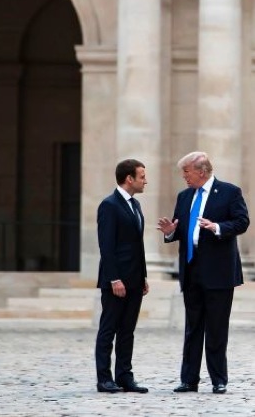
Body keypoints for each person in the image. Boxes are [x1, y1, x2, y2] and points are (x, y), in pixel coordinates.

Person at [157, 151, 250, 394]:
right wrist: (169, 231)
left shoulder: (230, 192)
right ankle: (189, 380)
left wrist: (217, 227)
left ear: (201, 171)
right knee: (193, 327)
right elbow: (180, 230)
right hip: (191, 268)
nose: (184, 177)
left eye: (186, 172)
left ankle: (219, 379)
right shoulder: (184, 196)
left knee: (217, 328)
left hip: (219, 272)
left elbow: (242, 222)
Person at [94, 158, 150, 393]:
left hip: (135, 280)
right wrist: (114, 278)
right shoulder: (109, 205)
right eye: (142, 176)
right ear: (129, 179)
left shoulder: (135, 205)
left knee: (127, 330)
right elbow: (106, 246)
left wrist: (143, 276)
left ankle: (125, 376)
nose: (145, 180)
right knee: (109, 329)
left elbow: (137, 245)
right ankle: (104, 379)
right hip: (116, 281)